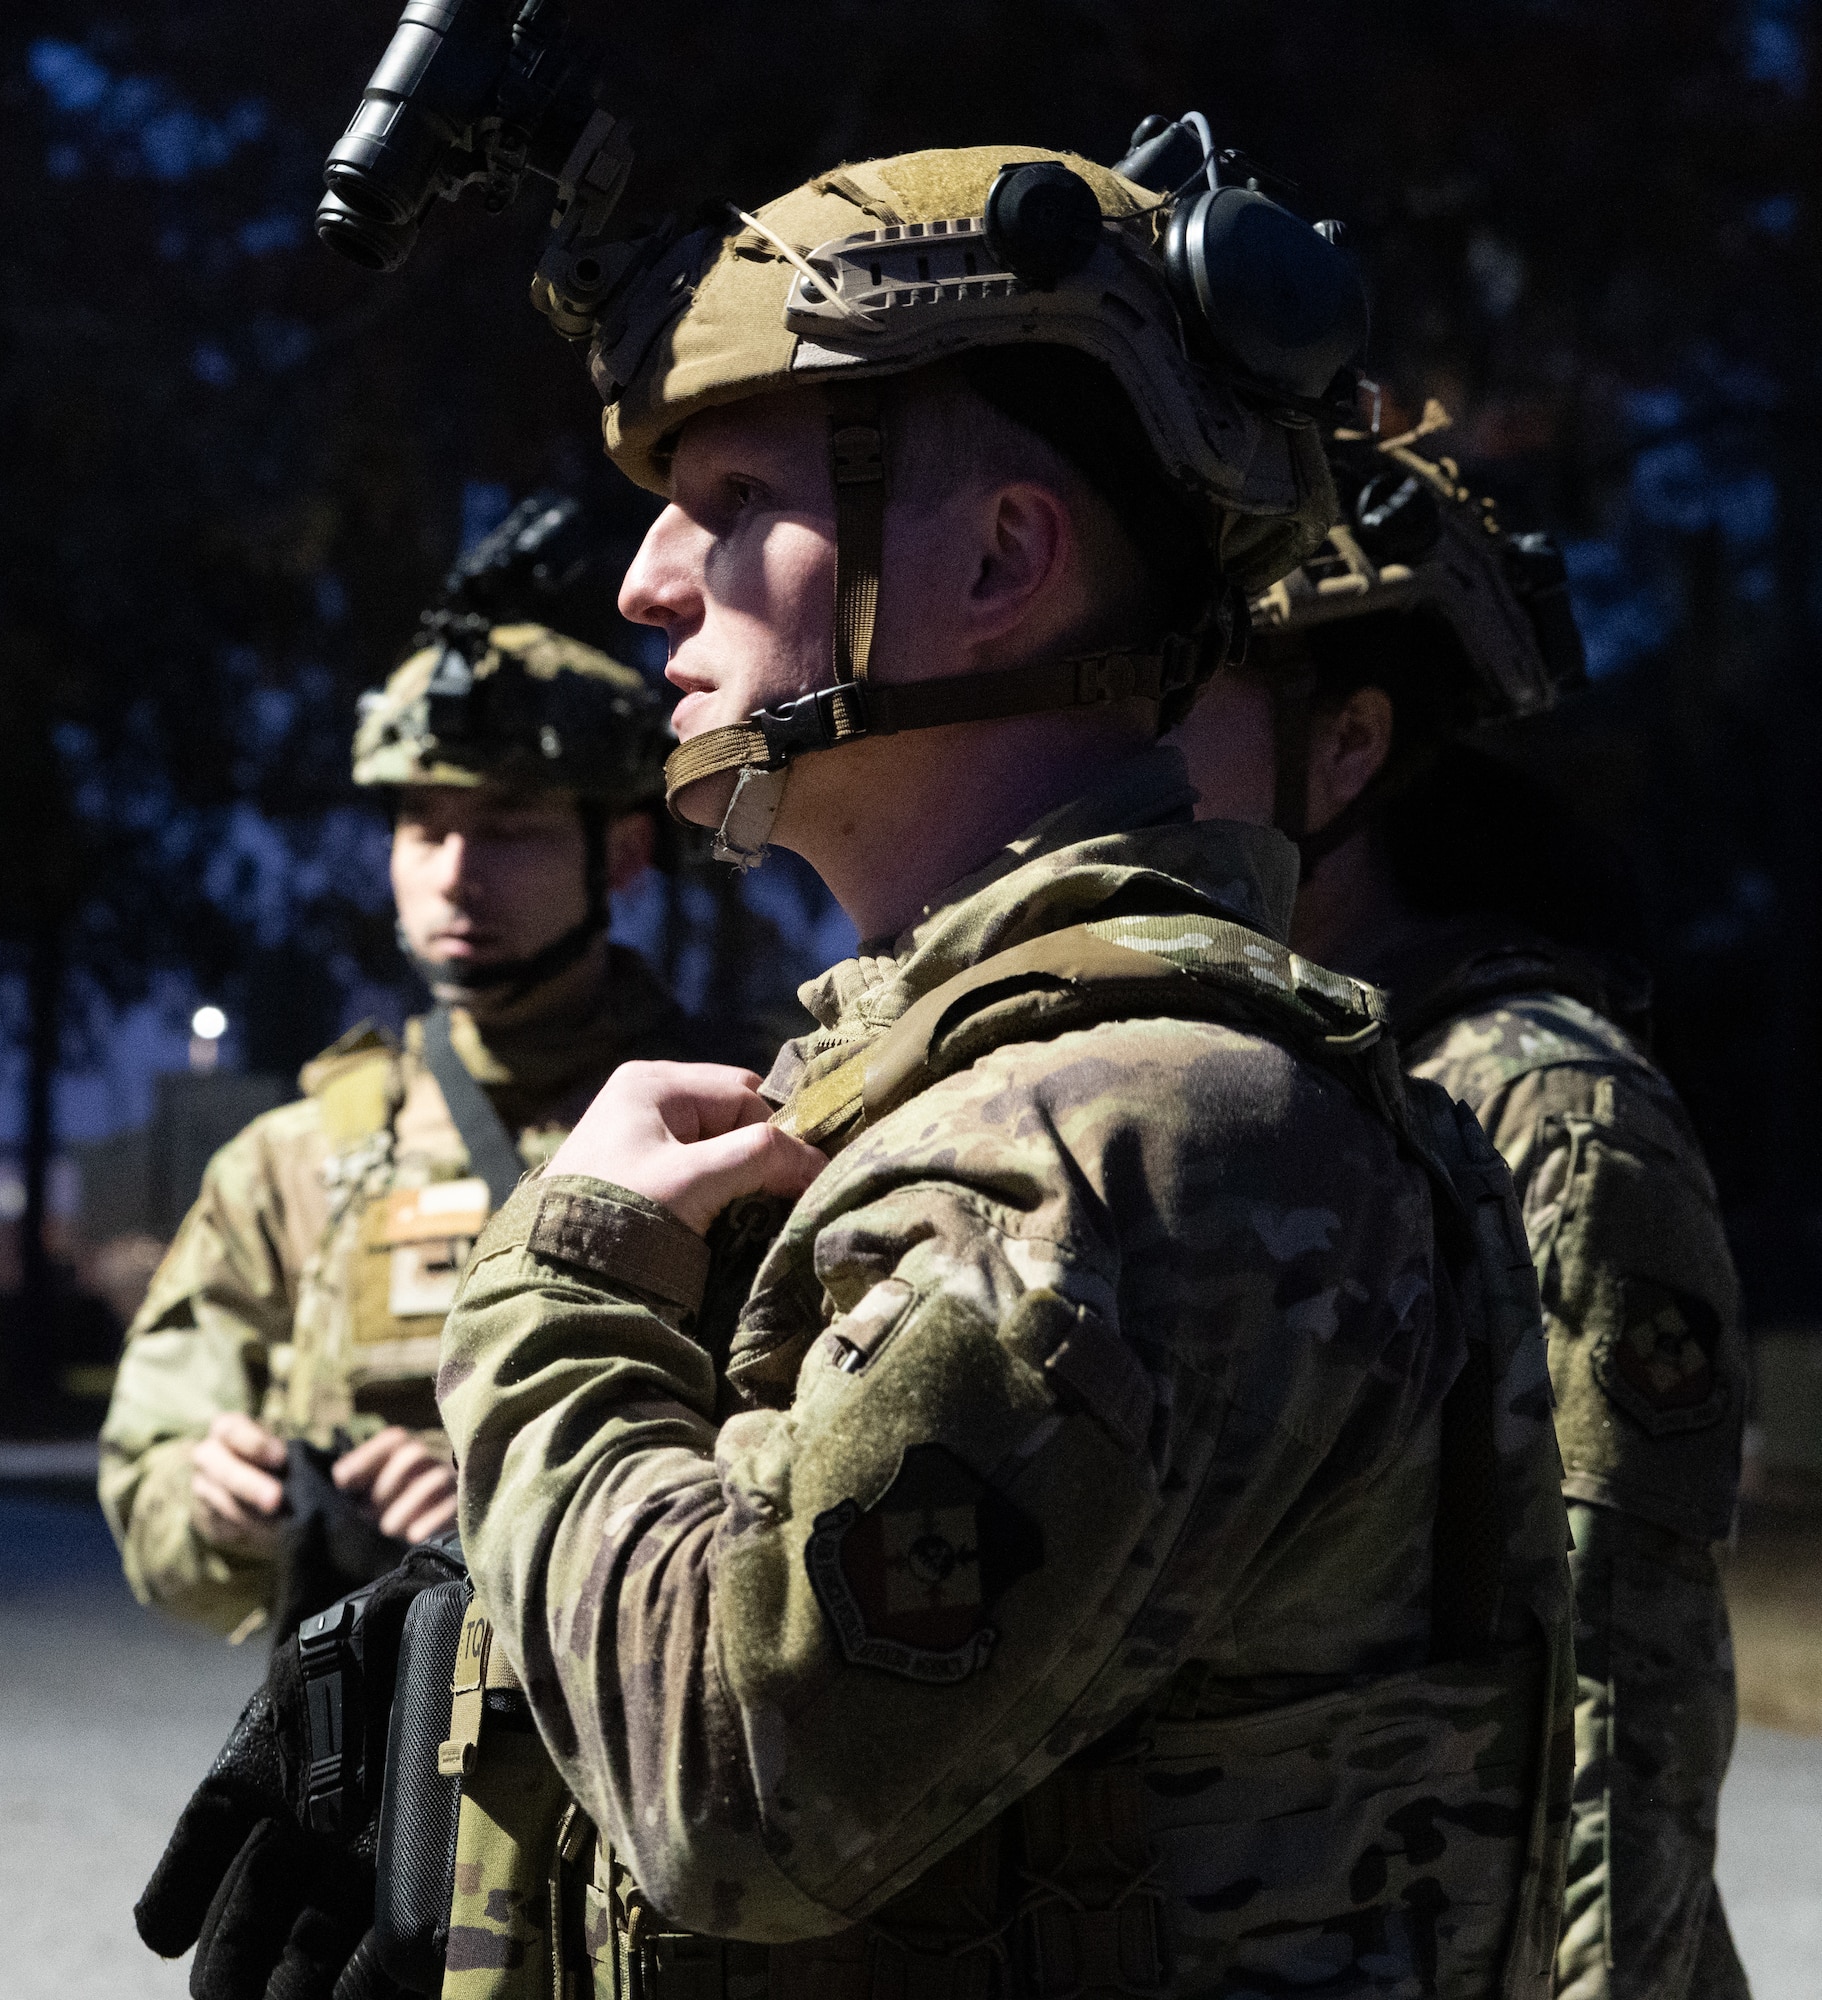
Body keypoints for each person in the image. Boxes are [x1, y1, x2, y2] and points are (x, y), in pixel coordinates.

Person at [137, 146, 1574, 2000]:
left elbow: (738, 1795)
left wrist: (559, 1294)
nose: (650, 581)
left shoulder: (1121, 1138)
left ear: (997, 560)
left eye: (730, 499)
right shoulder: (992, 1085)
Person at [1172, 407, 1751, 2000]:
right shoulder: (1206, 1076)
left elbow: (1622, 1693)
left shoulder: (1533, 1107)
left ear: (1345, 746)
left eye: (1171, 698)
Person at [99, 508, 700, 1645]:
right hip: (371, 1787)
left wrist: (509, 1502)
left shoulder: (732, 1114)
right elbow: (149, 1490)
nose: (456, 873)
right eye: (423, 828)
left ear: (619, 852)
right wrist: (211, 1495)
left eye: (509, 826)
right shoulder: (297, 1160)